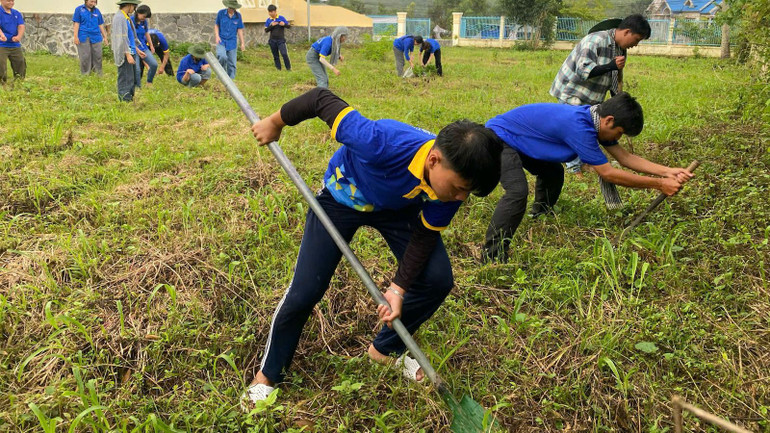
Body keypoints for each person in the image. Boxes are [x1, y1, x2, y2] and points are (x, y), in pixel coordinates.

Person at [241, 87, 503, 405]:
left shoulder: (449, 186)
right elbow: (320, 99)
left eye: (468, 192)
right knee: (306, 290)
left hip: (398, 210)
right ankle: (267, 376)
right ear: (434, 160)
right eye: (460, 189)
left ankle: (384, 350)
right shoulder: (380, 141)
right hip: (342, 198)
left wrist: (398, 289)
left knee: (437, 279)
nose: (460, 198)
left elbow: (423, 236)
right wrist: (275, 121)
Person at [482, 92, 694, 263]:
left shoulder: (594, 121)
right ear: (609, 120)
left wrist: (668, 171)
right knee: (518, 191)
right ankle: (492, 256)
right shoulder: (579, 127)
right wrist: (659, 184)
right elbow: (608, 173)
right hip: (499, 138)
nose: (618, 139)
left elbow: (626, 158)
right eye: (619, 133)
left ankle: (541, 215)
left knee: (552, 171)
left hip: (520, 139)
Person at [550, 14, 651, 174]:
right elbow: (583, 71)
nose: (635, 45)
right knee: (575, 129)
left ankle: (582, 162)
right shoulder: (595, 40)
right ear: (627, 32)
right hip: (572, 91)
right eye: (637, 39)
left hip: (592, 96)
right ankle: (574, 168)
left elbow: (616, 77)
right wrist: (610, 65)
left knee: (588, 126)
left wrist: (619, 101)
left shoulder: (620, 50)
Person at [111, 0, 140, 102]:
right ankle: (125, 99)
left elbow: (130, 37)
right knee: (125, 76)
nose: (134, 9)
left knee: (131, 77)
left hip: (131, 50)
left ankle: (130, 98)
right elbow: (121, 39)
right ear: (129, 5)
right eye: (134, 6)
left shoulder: (126, 17)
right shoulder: (120, 18)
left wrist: (136, 49)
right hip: (125, 53)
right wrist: (127, 54)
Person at [72, 0, 108, 76]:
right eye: (91, 1)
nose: (93, 4)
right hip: (83, 35)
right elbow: (76, 23)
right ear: (86, 1)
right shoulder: (79, 9)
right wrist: (75, 37)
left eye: (94, 2)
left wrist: (105, 37)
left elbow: (100, 24)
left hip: (96, 36)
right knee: (85, 56)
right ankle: (85, 74)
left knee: (98, 55)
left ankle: (98, 74)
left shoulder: (97, 11)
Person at [215, 0, 245, 79]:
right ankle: (221, 77)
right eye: (230, 7)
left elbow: (239, 29)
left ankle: (231, 80)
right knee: (222, 56)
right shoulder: (221, 13)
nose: (231, 9)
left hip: (232, 41)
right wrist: (217, 36)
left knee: (232, 63)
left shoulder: (238, 16)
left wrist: (242, 43)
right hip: (221, 40)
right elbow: (217, 25)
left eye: (233, 8)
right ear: (227, 6)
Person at [0, 0, 25, 84]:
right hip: (1, 44)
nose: (11, 2)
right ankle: (2, 84)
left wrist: (18, 37)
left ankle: (19, 82)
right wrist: (1, 35)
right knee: (1, 65)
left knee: (20, 62)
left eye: (12, 1)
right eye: (8, 1)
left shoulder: (16, 13)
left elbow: (21, 26)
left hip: (14, 44)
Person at [132, 4, 157, 87]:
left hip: (143, 47)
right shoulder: (131, 21)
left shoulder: (144, 22)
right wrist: (136, 49)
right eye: (143, 16)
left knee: (154, 64)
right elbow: (128, 37)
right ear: (138, 12)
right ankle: (137, 87)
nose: (144, 18)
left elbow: (146, 33)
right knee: (137, 69)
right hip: (133, 47)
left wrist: (151, 45)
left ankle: (149, 82)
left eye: (145, 17)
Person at [264, 4, 290, 71]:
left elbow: (289, 26)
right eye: (269, 12)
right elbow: (266, 30)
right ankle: (278, 69)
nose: (270, 13)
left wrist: (284, 24)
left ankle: (288, 68)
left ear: (275, 11)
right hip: (272, 40)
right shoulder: (268, 20)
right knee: (275, 56)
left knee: (284, 54)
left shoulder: (281, 18)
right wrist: (271, 26)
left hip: (281, 40)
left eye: (272, 12)